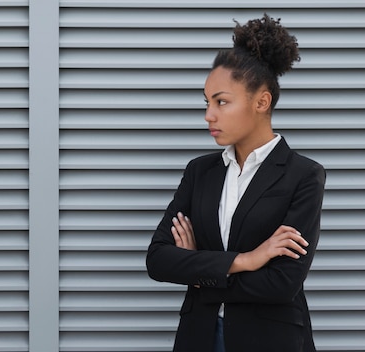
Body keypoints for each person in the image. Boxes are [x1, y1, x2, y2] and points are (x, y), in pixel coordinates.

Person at [145, 14, 325, 352]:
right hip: (199, 336)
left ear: (261, 102)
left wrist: (198, 272)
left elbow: (282, 283)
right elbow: (158, 259)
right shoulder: (200, 172)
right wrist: (246, 260)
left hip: (270, 340)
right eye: (207, 101)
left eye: (222, 101)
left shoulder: (303, 175)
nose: (208, 115)